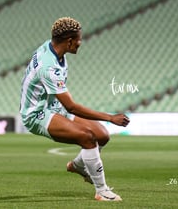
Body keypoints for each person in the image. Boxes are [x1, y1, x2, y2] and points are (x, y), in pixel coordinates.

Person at [19, 17, 130, 201]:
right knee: (87, 137)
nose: (80, 42)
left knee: (102, 135)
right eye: (78, 39)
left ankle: (79, 166)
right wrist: (110, 117)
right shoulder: (49, 67)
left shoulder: (53, 48)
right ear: (69, 41)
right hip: (37, 114)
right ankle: (101, 191)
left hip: (52, 106)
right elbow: (71, 106)